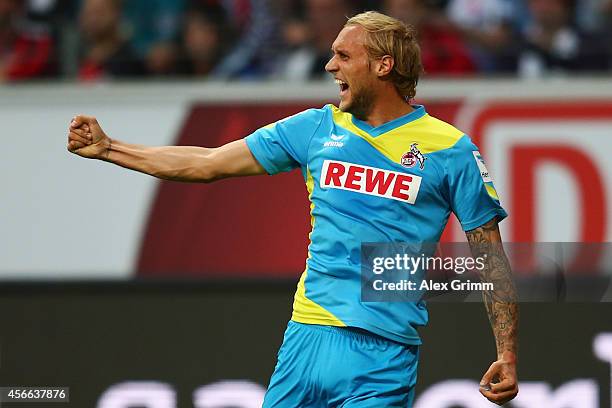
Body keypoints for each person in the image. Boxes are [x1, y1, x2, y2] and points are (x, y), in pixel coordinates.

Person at [67, 11, 518, 407]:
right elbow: (208, 163)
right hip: (306, 338)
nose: (329, 65)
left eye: (343, 55)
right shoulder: (315, 128)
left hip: (383, 357)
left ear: (384, 65)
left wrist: (507, 354)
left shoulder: (450, 149)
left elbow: (489, 258)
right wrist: (111, 149)